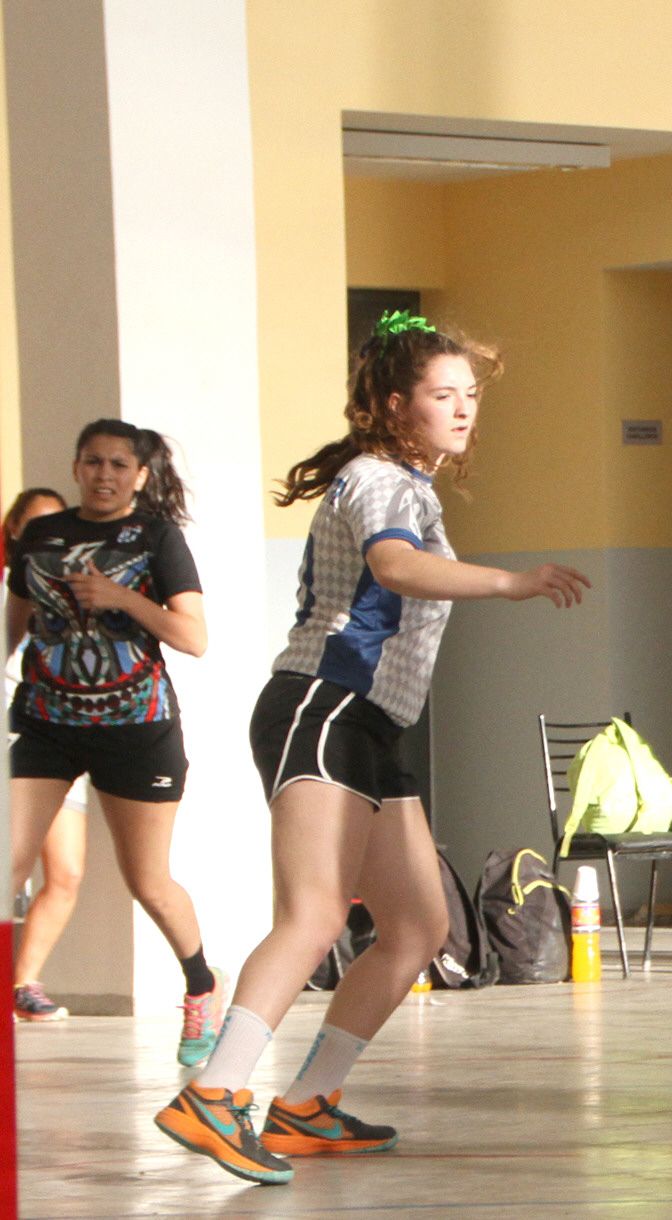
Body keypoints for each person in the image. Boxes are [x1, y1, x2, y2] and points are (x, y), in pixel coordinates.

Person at [156, 312, 588, 1186]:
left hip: (373, 725)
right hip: (324, 707)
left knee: (419, 926)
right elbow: (394, 566)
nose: (463, 409)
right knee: (315, 914)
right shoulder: (381, 480)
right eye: (443, 395)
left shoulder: (409, 484)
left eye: (470, 395)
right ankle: (213, 1092)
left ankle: (307, 1102)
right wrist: (510, 581)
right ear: (395, 405)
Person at [7, 424, 224, 1058]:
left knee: (148, 881)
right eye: (94, 462)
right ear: (76, 466)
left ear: (140, 475)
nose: (105, 474)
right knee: (8, 862)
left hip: (136, 727)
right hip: (45, 721)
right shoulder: (41, 536)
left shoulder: (156, 537)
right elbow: (14, 625)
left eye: (119, 465)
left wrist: (119, 596)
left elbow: (193, 638)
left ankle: (202, 986)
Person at [4, 487, 90, 1023]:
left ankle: (23, 984)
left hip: (60, 733)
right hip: (15, 740)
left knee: (66, 872)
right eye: (35, 524)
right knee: (10, 867)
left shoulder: (76, 591)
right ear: (14, 529)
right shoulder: (10, 586)